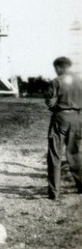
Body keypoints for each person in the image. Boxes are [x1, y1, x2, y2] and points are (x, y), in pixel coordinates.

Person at [45, 56, 82, 200]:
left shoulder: (56, 81)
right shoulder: (80, 81)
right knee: (75, 154)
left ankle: (54, 192)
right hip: (78, 118)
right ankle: (80, 188)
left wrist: (55, 107)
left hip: (61, 117)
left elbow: (49, 102)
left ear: (58, 67)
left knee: (55, 155)